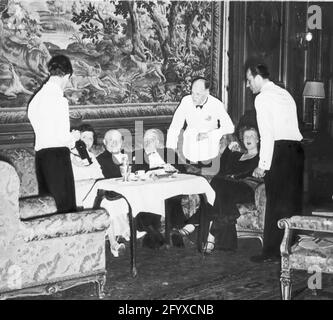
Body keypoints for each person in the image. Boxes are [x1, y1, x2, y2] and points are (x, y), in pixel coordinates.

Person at [245, 63, 304, 263]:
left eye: (249, 80)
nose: (248, 85)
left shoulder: (262, 98)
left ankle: (271, 251)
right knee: (291, 203)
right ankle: (290, 248)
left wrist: (263, 165)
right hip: (296, 151)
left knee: (276, 203)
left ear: (257, 77)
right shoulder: (284, 93)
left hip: (279, 152)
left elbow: (267, 135)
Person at [27, 54, 77, 213]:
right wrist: (74, 137)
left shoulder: (36, 100)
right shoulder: (59, 100)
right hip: (57, 159)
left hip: (42, 159)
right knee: (65, 210)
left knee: (49, 209)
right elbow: (63, 137)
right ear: (67, 76)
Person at [71, 125, 128, 257]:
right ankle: (116, 241)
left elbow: (100, 176)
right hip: (78, 192)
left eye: (90, 137)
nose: (87, 140)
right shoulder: (69, 153)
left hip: (94, 189)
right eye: (84, 137)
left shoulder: (91, 156)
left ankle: (118, 239)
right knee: (106, 199)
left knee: (109, 198)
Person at [166, 76, 234, 175]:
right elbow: (174, 127)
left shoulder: (216, 104)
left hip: (209, 156)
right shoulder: (186, 101)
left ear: (207, 92)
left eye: (197, 94)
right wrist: (170, 153)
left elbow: (230, 127)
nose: (193, 96)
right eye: (192, 92)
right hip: (188, 156)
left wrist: (209, 134)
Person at [208, 126, 260, 253]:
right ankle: (225, 242)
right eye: (245, 136)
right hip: (229, 188)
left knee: (219, 184)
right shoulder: (237, 155)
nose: (248, 139)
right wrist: (227, 151)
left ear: (258, 139)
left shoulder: (261, 158)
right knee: (220, 189)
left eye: (251, 136)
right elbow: (222, 171)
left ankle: (211, 235)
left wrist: (235, 177)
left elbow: (252, 175)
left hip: (247, 188)